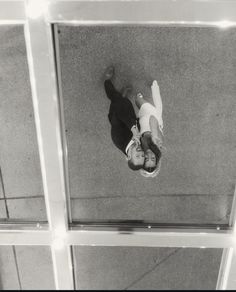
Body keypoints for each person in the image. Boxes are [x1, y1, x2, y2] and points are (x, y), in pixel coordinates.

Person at [103, 66, 145, 171]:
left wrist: (133, 129)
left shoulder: (118, 139)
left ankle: (107, 81)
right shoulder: (137, 144)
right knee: (125, 102)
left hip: (116, 111)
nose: (140, 153)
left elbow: (119, 113)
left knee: (114, 97)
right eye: (142, 156)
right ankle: (123, 96)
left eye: (137, 156)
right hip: (129, 113)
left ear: (129, 157)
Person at [135, 80, 164, 177]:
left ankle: (140, 100)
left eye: (146, 159)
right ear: (157, 157)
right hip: (153, 117)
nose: (149, 156)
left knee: (138, 102)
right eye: (153, 159)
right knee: (157, 109)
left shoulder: (140, 149)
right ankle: (155, 87)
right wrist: (154, 135)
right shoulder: (157, 142)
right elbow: (152, 118)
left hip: (141, 119)